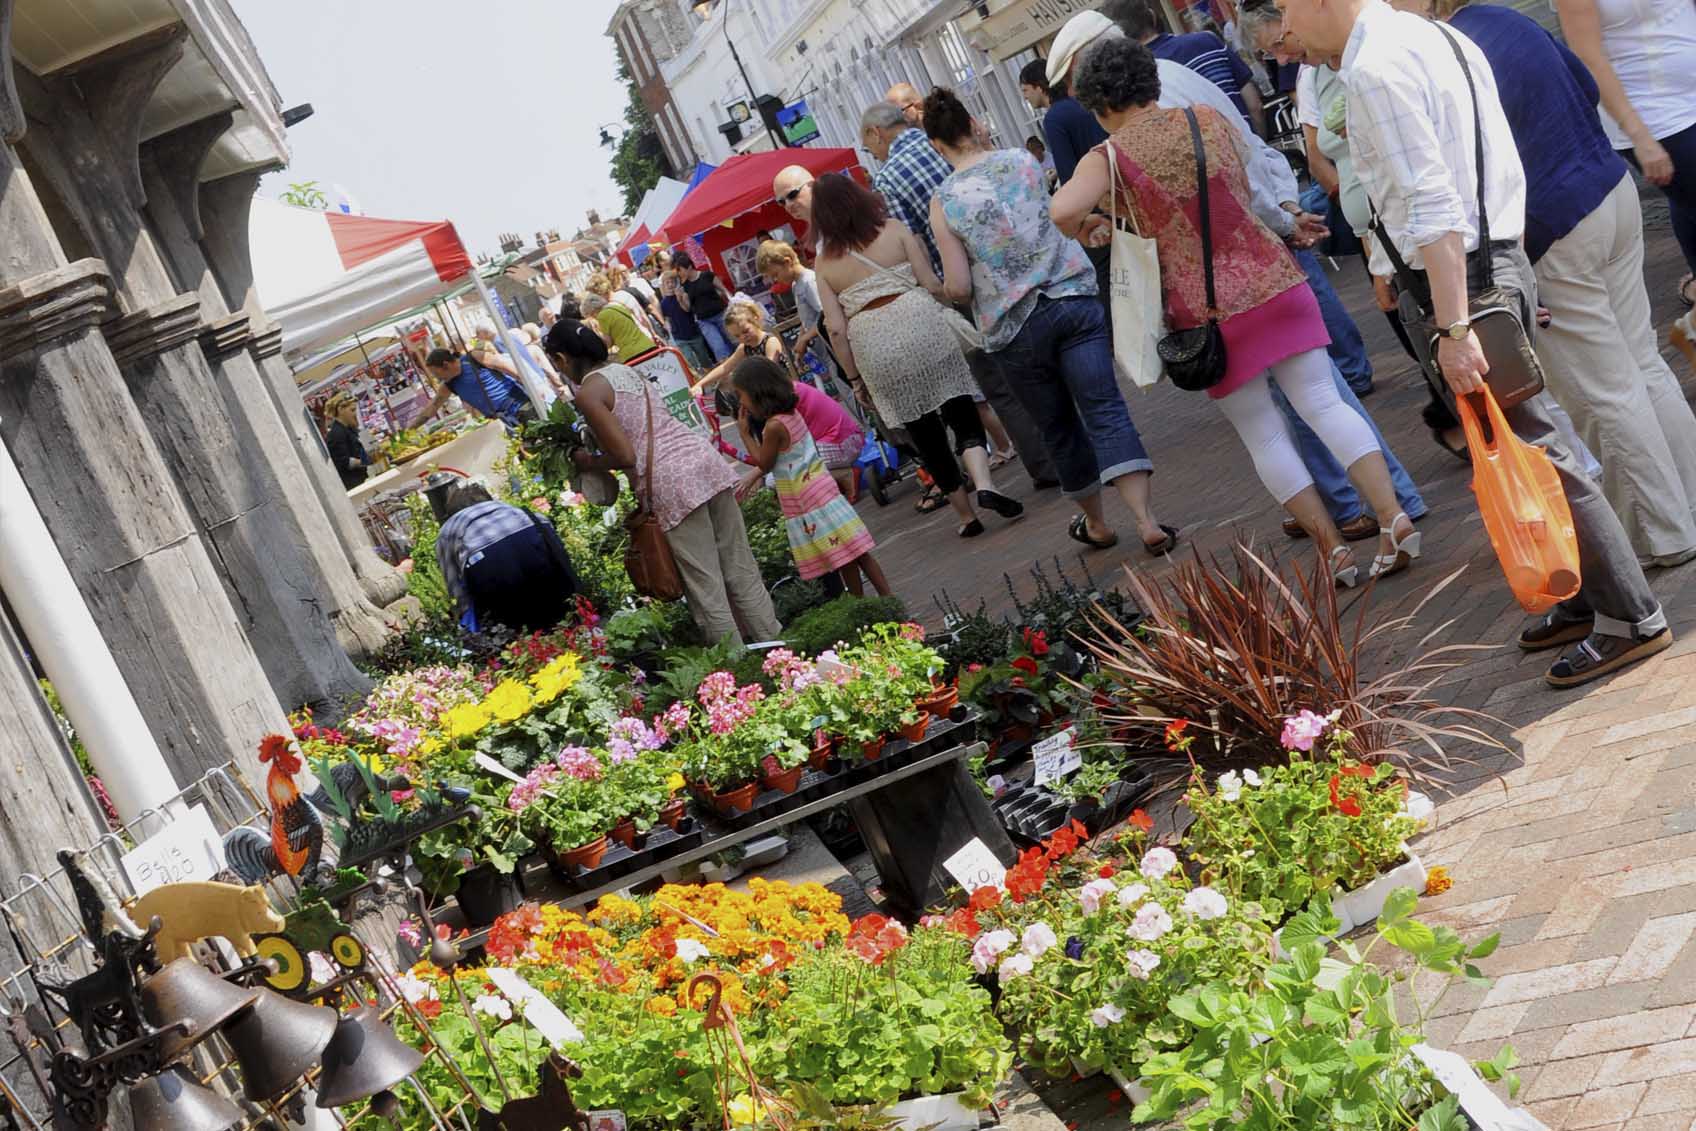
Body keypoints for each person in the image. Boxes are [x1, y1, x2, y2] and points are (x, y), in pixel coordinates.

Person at [1280, 0, 1672, 685]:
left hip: (1464, 277)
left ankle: (1630, 615)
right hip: (1486, 262)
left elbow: (1432, 199)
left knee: (1536, 447)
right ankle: (1585, 597)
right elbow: (1486, 163)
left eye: (1286, 6)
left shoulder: (1376, 63)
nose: (1284, 28)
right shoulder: (1433, 36)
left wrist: (1457, 322)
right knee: (1529, 441)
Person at [1058, 37, 1412, 583]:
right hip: (1274, 279)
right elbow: (1247, 194)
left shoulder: (1106, 158)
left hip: (1208, 312)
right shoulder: (1206, 119)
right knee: (1325, 403)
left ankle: (1335, 552)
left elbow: (1062, 209)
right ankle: (1393, 517)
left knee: (1264, 433)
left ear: (1100, 104)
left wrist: (1096, 224)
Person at [1389, 0, 1696, 568]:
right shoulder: (1505, 20)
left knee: (1604, 393)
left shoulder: (1440, 54)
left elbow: (1459, 179)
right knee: (1641, 366)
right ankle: (1683, 513)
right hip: (1606, 190)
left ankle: (1664, 535)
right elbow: (1582, 85)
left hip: (1554, 224)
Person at [925, 86, 1174, 557]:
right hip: (1072, 297)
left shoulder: (944, 202)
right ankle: (1146, 520)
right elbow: (1056, 216)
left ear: (937, 145)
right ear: (974, 124)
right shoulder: (1021, 161)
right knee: (1105, 408)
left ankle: (1097, 524)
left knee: (1058, 427)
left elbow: (957, 285)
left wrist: (948, 291)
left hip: (1012, 327)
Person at [858, 101, 1060, 489]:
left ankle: (1046, 465)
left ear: (875, 134)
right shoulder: (943, 144)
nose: (874, 154)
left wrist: (939, 295)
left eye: (870, 148)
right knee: (1045, 362)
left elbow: (913, 243)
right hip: (1019, 264)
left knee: (999, 382)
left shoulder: (888, 179)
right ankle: (1072, 444)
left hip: (964, 287)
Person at [811, 172, 1024, 538]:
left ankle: (966, 518)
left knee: (925, 434)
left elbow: (835, 328)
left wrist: (855, 379)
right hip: (921, 323)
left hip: (873, 344)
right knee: (961, 410)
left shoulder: (825, 264)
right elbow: (930, 284)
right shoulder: (893, 230)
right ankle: (985, 482)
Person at [543, 319, 781, 645]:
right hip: (702, 462)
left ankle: (738, 668)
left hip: (671, 483)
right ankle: (777, 645)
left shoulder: (589, 392)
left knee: (706, 587)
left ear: (562, 359)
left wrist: (587, 460)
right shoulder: (625, 371)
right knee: (740, 567)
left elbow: (626, 455)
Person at [1552, 0, 1696, 310]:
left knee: (1686, 203)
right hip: (1656, 114)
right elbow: (1589, 59)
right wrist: (1640, 137)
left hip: (1689, 96)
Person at [731, 357, 891, 597]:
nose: (741, 402)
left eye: (740, 395)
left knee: (844, 559)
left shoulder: (773, 427)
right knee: (857, 554)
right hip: (822, 490)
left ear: (756, 393)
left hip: (809, 499)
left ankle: (862, 605)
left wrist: (744, 434)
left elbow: (764, 463)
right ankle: (884, 598)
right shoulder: (791, 413)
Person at [1100, 0, 1267, 135]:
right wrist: (1259, 144)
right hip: (1252, 152)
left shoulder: (1137, 80)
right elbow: (1254, 104)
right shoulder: (1207, 40)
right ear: (1153, 17)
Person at [435, 480, 580, 633]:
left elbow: (456, 589)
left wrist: (468, 622)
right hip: (536, 546)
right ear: (488, 499)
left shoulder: (448, 531)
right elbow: (562, 558)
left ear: (453, 511)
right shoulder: (519, 512)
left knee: (514, 632)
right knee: (561, 619)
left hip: (494, 578)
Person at [417, 345, 534, 428]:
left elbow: (511, 370)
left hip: (520, 406)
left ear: (445, 365)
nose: (438, 379)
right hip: (500, 421)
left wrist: (534, 388)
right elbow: (432, 407)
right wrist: (410, 430)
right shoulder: (449, 384)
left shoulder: (474, 358)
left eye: (437, 374)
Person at [694, 299, 787, 394]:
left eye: (745, 331)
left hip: (783, 389)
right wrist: (700, 384)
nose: (743, 337)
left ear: (756, 319)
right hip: (766, 392)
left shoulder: (770, 342)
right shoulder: (745, 347)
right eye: (737, 336)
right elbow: (725, 367)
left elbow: (770, 370)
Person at [673, 252, 735, 362]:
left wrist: (733, 302)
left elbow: (723, 289)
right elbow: (687, 309)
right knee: (718, 348)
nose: (679, 273)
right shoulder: (684, 286)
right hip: (704, 320)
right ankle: (730, 372)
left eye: (680, 269)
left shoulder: (707, 275)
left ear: (689, 267)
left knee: (733, 340)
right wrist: (680, 300)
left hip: (721, 313)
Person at [657, 262, 713, 373]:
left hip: (693, 333)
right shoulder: (663, 303)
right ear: (663, 285)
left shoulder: (684, 294)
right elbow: (667, 319)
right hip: (679, 337)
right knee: (690, 360)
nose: (670, 285)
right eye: (667, 282)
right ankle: (700, 378)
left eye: (672, 282)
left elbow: (687, 309)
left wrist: (679, 298)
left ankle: (711, 376)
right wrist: (667, 326)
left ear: (676, 282)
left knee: (704, 358)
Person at [581, 291, 657, 363]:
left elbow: (608, 343)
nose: (594, 318)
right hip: (647, 345)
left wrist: (596, 335)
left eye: (591, 315)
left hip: (632, 353)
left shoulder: (602, 316)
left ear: (593, 310)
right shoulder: (617, 307)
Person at [324, 394, 371, 489]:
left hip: (363, 479)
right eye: (352, 410)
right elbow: (344, 461)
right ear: (341, 410)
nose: (355, 414)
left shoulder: (349, 429)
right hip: (355, 485)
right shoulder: (336, 433)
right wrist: (367, 461)